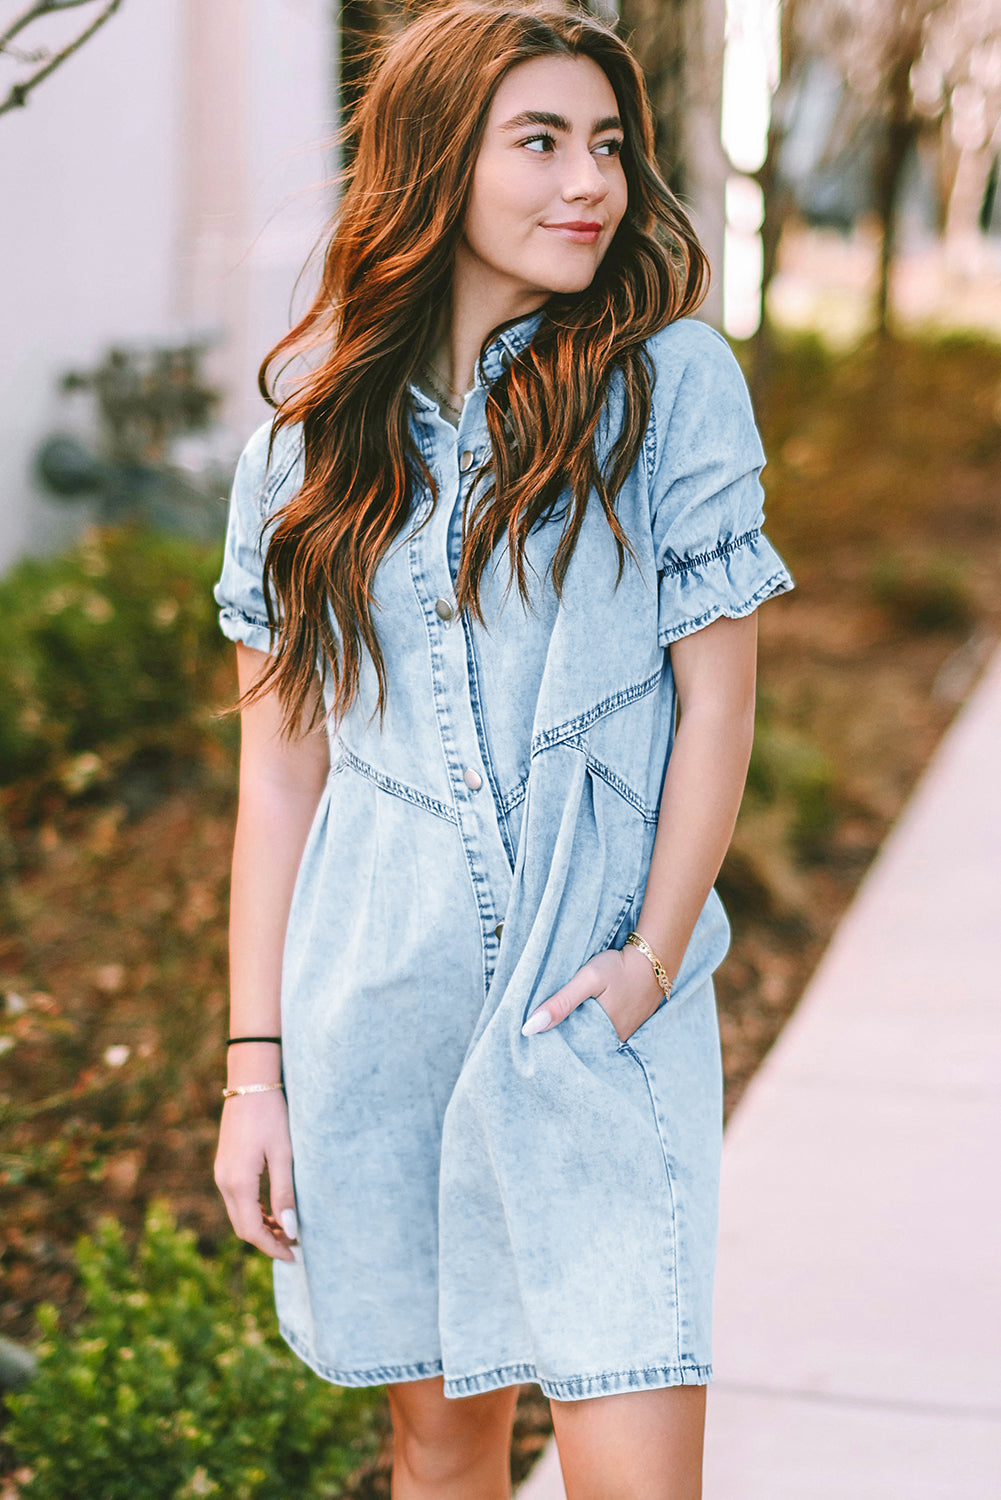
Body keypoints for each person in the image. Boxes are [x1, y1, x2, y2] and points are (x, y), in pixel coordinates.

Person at [212, 3, 793, 1496]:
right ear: (434, 164)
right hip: (377, 989)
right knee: (440, 1450)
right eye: (537, 141)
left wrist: (647, 964)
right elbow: (281, 775)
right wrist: (251, 1079)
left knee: (635, 1454)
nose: (586, 181)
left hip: (594, 993)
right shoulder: (307, 444)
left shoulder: (667, 386)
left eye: (605, 143)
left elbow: (716, 704)